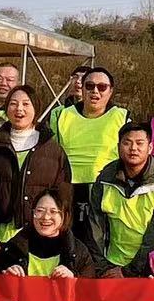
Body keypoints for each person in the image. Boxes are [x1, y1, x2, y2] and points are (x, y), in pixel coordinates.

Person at [0, 85, 74, 269]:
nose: (19, 109)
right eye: (13, 104)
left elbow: (63, 200)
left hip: (35, 244)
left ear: (36, 108)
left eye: (26, 104)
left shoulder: (54, 151)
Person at [88, 121, 154, 278]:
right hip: (111, 266)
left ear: (150, 148)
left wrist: (129, 271)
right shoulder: (104, 179)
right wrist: (103, 268)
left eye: (139, 143)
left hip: (151, 267)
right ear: (118, 147)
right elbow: (95, 227)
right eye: (127, 143)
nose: (133, 148)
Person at [52, 66, 130, 228]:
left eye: (102, 87)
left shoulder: (122, 118)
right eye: (89, 86)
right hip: (67, 192)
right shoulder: (61, 115)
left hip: (106, 192)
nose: (95, 91)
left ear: (110, 91)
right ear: (82, 88)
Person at [0, 190, 93, 277]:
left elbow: (90, 288)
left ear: (65, 216)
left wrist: (73, 278)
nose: (46, 217)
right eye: (40, 211)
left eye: (53, 212)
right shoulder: (14, 248)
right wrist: (6, 277)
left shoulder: (78, 252)